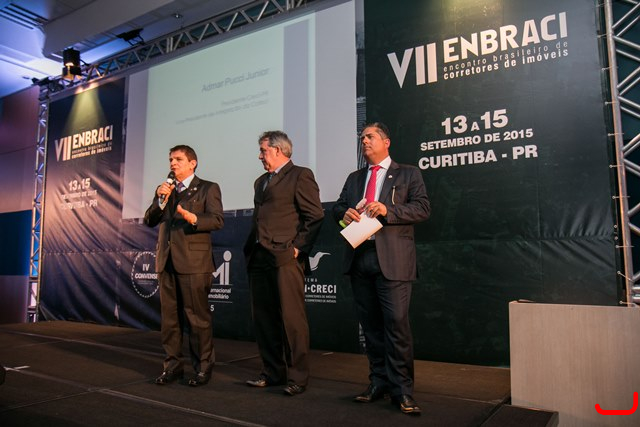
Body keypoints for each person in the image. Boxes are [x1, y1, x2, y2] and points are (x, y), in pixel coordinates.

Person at [333, 122, 430, 415]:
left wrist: (389, 210)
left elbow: (422, 208)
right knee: (371, 328)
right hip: (360, 257)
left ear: (386, 142)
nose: (364, 141)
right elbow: (337, 209)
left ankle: (402, 391)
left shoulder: (408, 173)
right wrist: (345, 213)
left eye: (370, 136)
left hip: (393, 260)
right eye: (362, 137)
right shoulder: (354, 178)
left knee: (396, 326)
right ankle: (378, 382)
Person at [243, 130, 324, 396]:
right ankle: (272, 372)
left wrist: (298, 248)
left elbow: (315, 215)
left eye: (263, 150)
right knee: (264, 318)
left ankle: (297, 377)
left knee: (292, 319)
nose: (259, 156)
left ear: (278, 150)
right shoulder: (260, 181)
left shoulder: (301, 175)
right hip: (259, 256)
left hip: (285, 256)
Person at [144, 144, 224, 387]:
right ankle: (172, 367)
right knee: (170, 321)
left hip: (194, 263)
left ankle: (202, 368)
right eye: (171, 159)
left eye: (178, 159)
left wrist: (195, 218)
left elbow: (217, 220)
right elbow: (149, 219)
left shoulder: (208, 188)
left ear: (192, 163)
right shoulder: (165, 190)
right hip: (166, 261)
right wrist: (160, 201)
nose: (172, 163)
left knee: (197, 319)